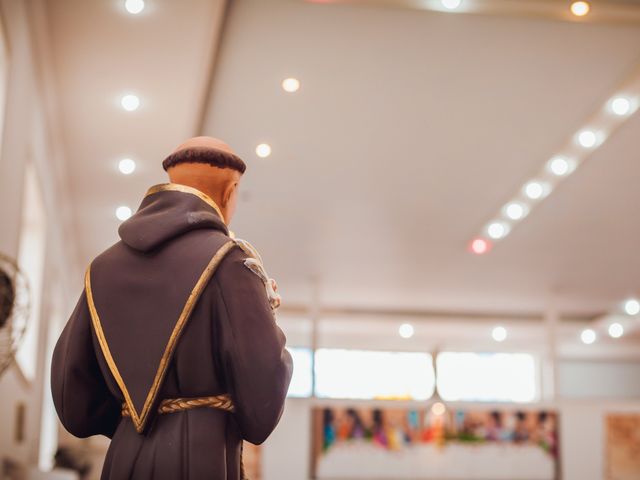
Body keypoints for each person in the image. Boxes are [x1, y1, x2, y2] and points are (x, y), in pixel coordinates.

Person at [51, 136, 293, 480]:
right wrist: (267, 311)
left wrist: (133, 421)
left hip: (123, 456)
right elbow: (261, 404)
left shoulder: (101, 267)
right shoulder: (231, 261)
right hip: (203, 455)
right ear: (230, 190)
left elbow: (72, 400)